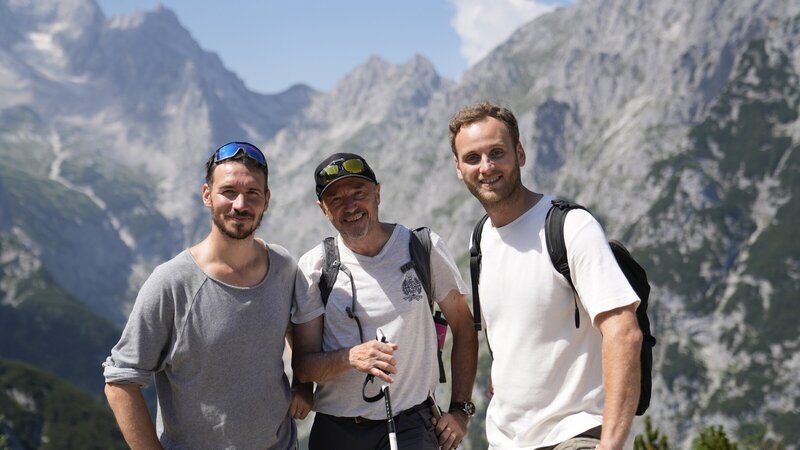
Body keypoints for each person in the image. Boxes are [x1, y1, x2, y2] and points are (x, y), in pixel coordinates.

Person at [449, 103, 643, 450]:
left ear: (520, 154)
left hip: (574, 434)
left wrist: (611, 444)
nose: (486, 167)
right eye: (473, 158)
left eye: (497, 153)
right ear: (459, 169)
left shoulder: (570, 227)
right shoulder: (480, 240)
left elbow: (624, 332)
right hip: (505, 442)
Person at [102, 142, 312, 449]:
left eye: (252, 193)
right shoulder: (172, 282)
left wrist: (303, 383)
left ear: (266, 200)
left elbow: (296, 326)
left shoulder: (283, 266)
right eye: (228, 192)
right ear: (207, 195)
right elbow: (120, 383)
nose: (240, 204)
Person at [291, 153, 478, 450]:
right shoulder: (314, 267)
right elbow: (303, 367)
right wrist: (349, 358)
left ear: (377, 193)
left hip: (411, 425)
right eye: (336, 199)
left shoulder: (422, 247)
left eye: (359, 193)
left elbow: (464, 327)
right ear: (323, 209)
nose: (350, 206)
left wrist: (460, 410)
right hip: (336, 430)